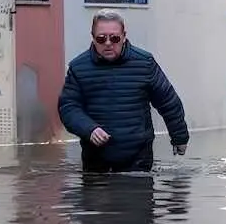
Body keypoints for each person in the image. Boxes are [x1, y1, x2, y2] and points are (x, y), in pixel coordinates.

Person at [58, 9, 189, 173]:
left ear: (124, 36)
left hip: (138, 157)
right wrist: (89, 129)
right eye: (101, 38)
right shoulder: (78, 68)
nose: (108, 43)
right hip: (96, 159)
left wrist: (179, 137)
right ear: (93, 37)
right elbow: (68, 107)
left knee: (134, 195)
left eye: (114, 38)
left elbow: (168, 102)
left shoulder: (145, 63)